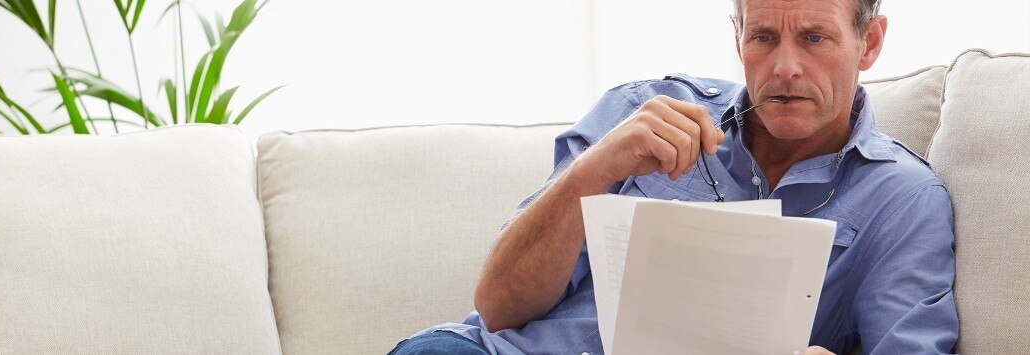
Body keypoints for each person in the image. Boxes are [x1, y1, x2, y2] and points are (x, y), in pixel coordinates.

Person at [389, 0, 958, 354]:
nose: (785, 66)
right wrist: (592, 171)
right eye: (763, 37)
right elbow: (497, 306)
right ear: (738, 38)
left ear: (871, 43)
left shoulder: (903, 200)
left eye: (814, 37)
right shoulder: (644, 109)